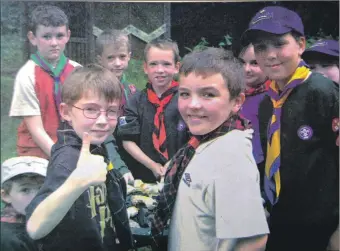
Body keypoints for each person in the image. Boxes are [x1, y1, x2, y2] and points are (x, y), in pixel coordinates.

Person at [151, 47, 269, 251]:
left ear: (237, 102)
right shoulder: (203, 141)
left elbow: (253, 241)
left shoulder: (230, 157)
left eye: (208, 94)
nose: (193, 105)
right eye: (185, 94)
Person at [242, 6, 339, 251]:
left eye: (279, 44)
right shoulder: (268, 102)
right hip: (282, 219)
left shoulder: (323, 92)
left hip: (322, 227)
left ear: (301, 44)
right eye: (261, 47)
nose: (270, 55)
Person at [25, 65, 134, 251]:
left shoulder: (93, 144)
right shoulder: (68, 160)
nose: (102, 120)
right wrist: (77, 182)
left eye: (111, 111)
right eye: (91, 110)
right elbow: (34, 228)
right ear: (66, 112)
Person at [9, 5, 80, 160]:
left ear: (68, 35)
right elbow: (36, 130)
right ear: (32, 38)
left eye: (59, 36)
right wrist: (61, 160)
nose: (54, 43)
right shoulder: (27, 75)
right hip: (36, 155)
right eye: (46, 37)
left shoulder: (78, 71)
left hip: (71, 150)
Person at [117, 38, 190, 183]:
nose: (160, 70)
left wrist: (174, 162)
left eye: (166, 64)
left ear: (177, 67)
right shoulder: (134, 101)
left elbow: (194, 137)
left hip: (182, 173)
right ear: (145, 67)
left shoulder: (186, 99)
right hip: (144, 178)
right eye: (153, 64)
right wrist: (153, 166)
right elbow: (127, 140)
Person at [96, 29, 138, 184]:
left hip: (127, 154)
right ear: (100, 59)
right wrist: (120, 167)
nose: (118, 63)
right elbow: (104, 134)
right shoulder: (97, 91)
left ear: (129, 56)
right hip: (103, 155)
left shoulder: (132, 90)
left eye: (122, 57)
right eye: (111, 58)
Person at [1, 156, 48, 251]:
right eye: (25, 190)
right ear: (6, 195)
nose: (36, 196)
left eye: (41, 187)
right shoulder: (8, 240)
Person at [238, 43, 270, 164]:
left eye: (254, 63)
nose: (246, 69)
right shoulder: (231, 94)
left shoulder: (274, 97)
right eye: (242, 63)